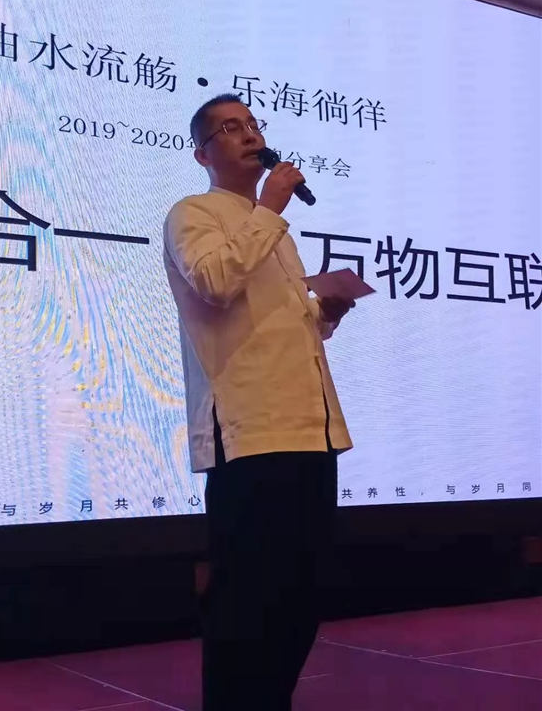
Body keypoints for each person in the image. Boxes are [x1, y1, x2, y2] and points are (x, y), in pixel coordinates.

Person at [163, 94, 355, 711]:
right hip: (250, 434)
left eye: (252, 124)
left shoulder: (270, 232)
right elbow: (215, 282)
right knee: (247, 601)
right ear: (202, 154)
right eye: (230, 127)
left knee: (301, 595)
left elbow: (271, 325)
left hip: (311, 431)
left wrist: (325, 313)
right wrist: (270, 207)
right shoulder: (193, 213)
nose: (249, 134)